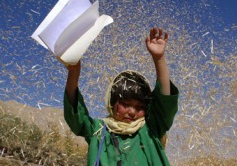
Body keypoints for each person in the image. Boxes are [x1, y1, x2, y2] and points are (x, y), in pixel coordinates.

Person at [64, 27, 179, 166]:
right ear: (112, 103)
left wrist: (159, 58)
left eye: (140, 107)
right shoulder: (98, 131)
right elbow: (75, 113)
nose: (132, 112)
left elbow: (165, 101)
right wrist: (74, 73)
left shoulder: (151, 129)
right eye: (126, 104)